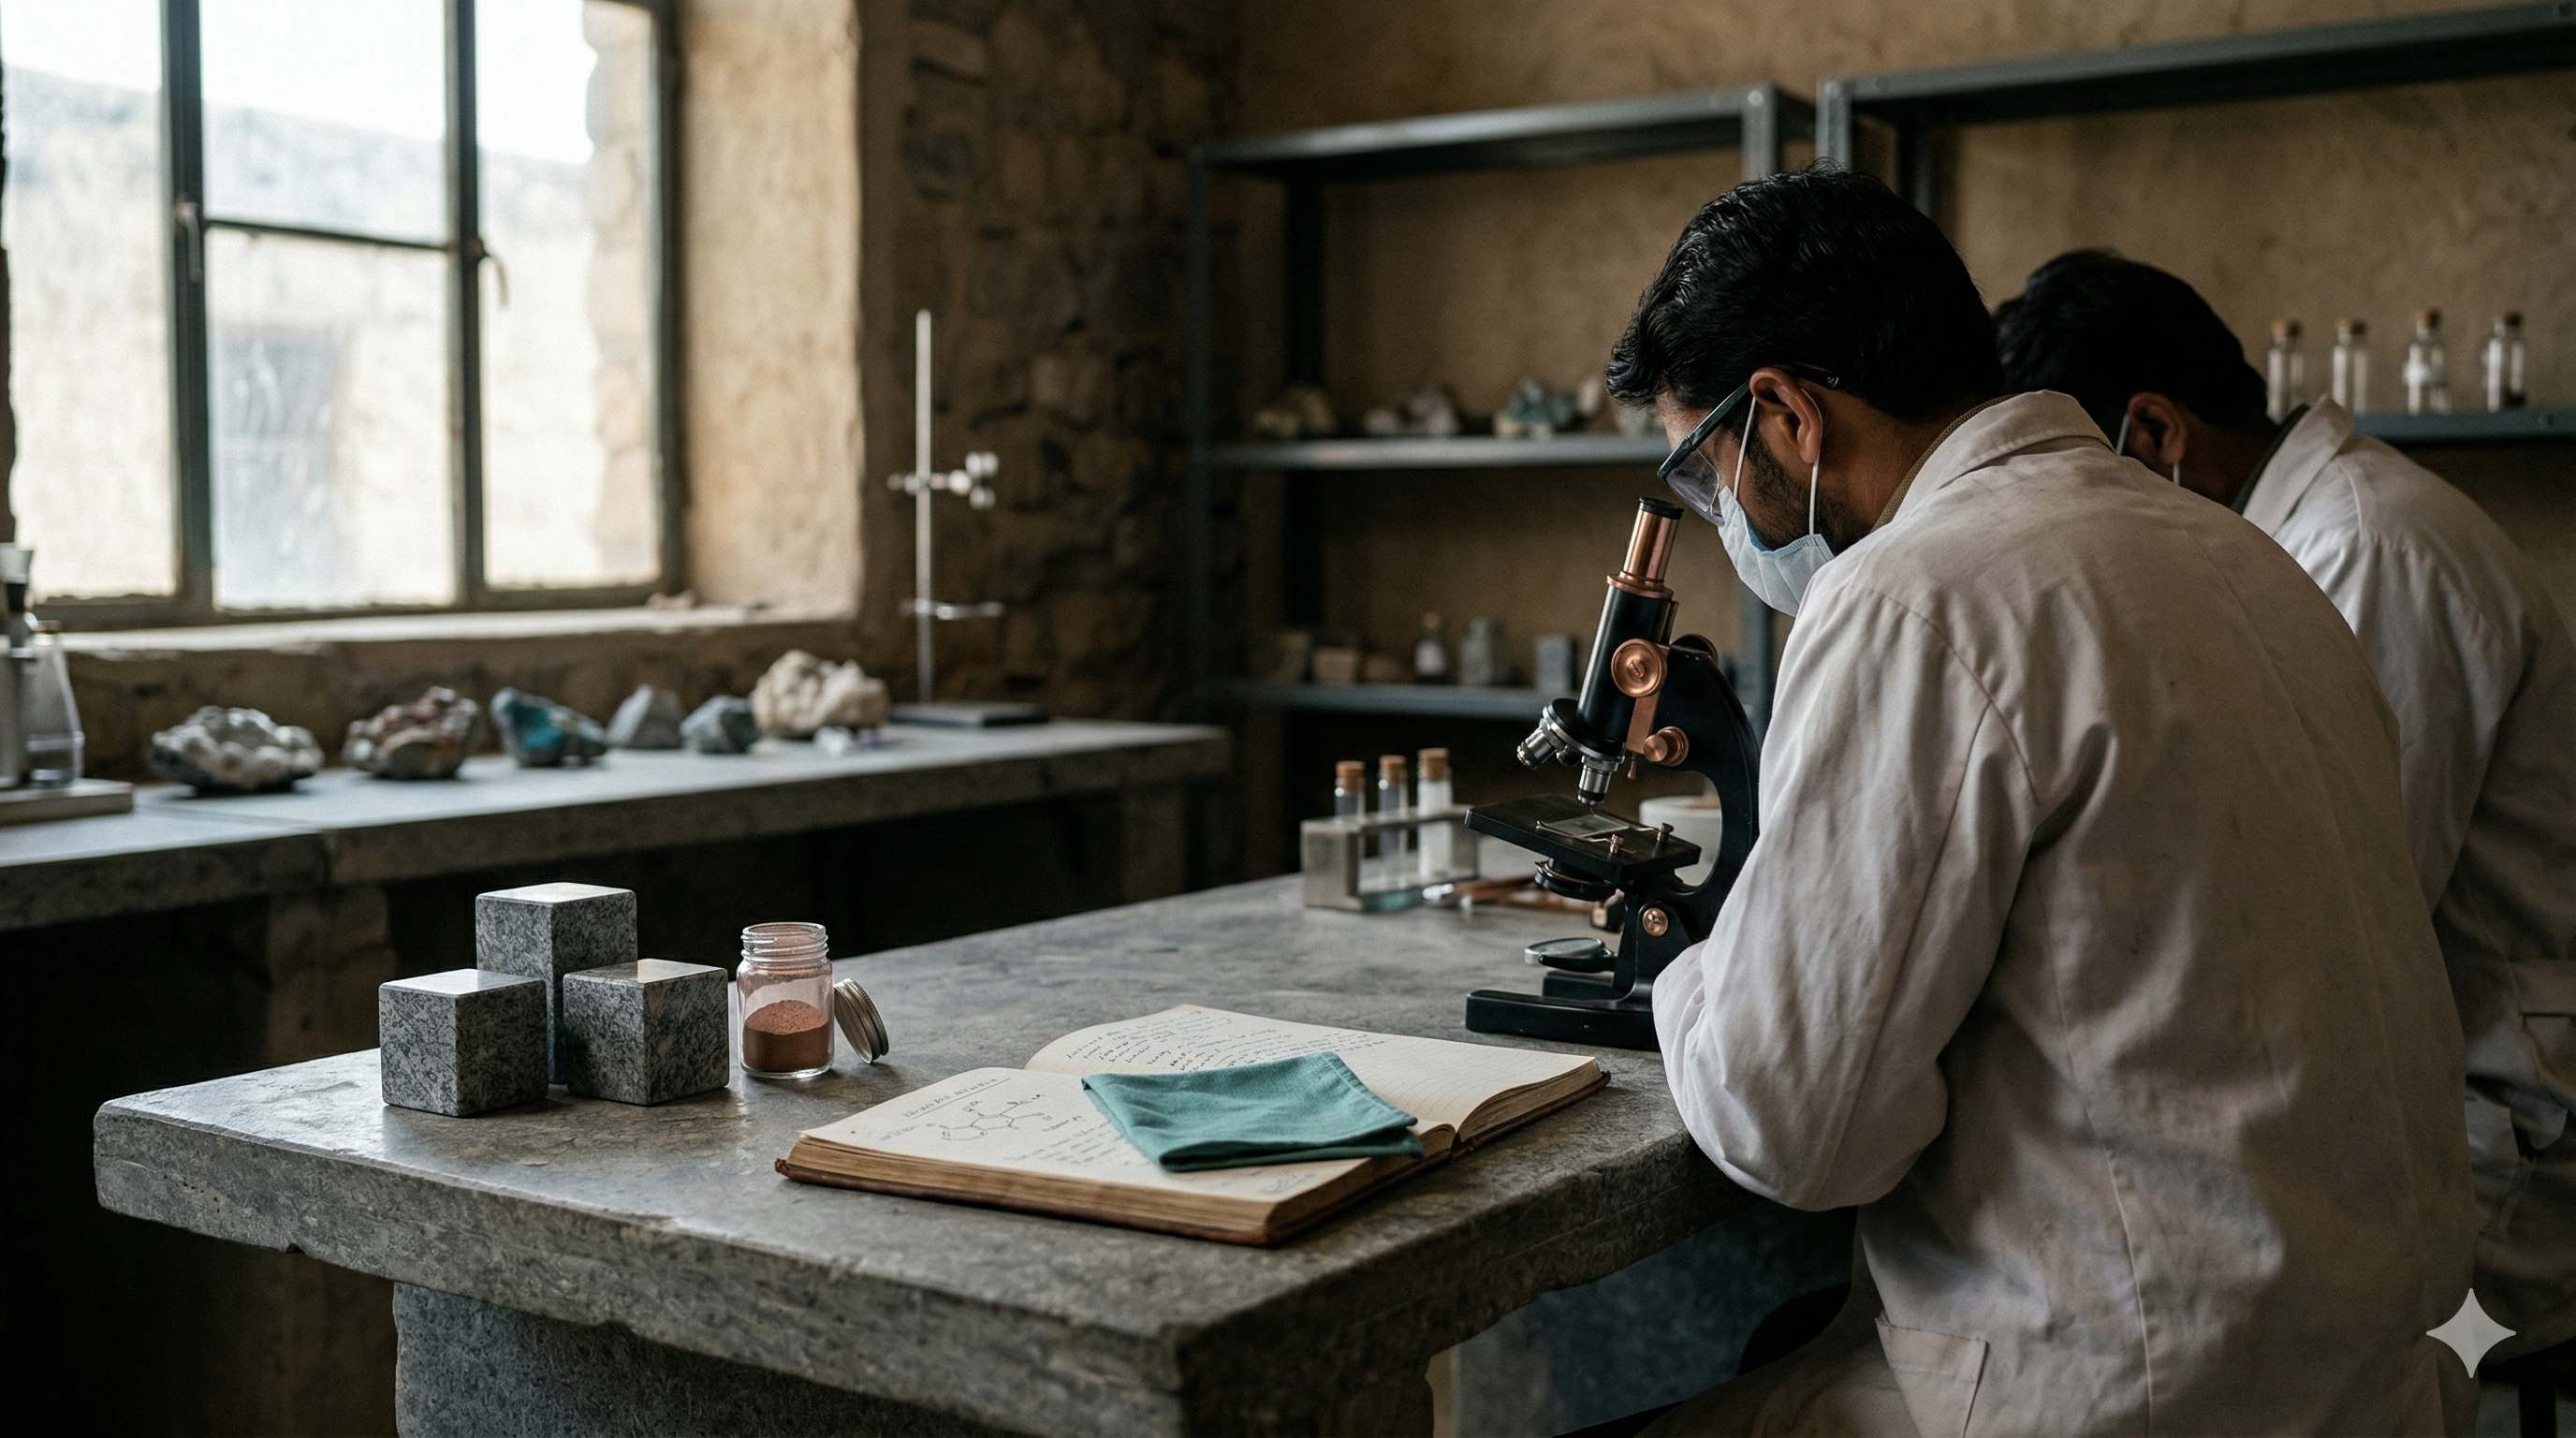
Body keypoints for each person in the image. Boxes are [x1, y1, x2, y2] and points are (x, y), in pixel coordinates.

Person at [1605, 169, 2475, 1436]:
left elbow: (1795, 1130)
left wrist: (1685, 974)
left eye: (1705, 471)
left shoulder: (1910, 594)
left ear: (1786, 415)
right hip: (2355, 1384)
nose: (1721, 516)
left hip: (2123, 1396)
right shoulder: (2249, 557)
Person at [1995, 249, 2576, 1371]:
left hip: (2496, 1131)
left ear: (2153, 432)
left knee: (2127, 1315)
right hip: (2402, 1089)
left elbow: (2328, 916)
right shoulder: (2283, 546)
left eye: (2068, 478)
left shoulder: (2364, 551)